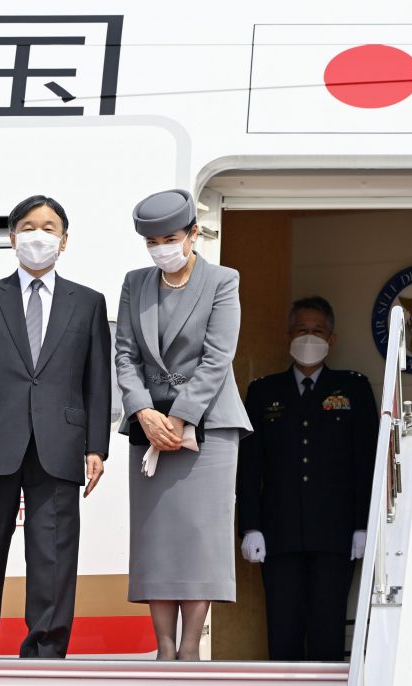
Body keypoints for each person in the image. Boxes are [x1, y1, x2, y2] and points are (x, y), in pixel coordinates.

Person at [0, 195, 112, 658]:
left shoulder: (88, 302)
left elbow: (98, 380)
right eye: (30, 227)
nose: (40, 235)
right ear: (13, 237)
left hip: (60, 441)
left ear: (65, 241)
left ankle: (45, 654)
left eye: (50, 227)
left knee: (54, 554)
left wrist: (97, 445)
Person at [114, 188, 252, 661]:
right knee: (156, 535)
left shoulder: (222, 280)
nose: (161, 248)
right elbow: (125, 354)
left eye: (169, 238)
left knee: (200, 534)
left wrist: (179, 416)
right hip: (149, 429)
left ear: (193, 233)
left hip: (208, 427)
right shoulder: (135, 283)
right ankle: (164, 648)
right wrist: (143, 412)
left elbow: (218, 358)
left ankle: (191, 648)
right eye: (152, 241)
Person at [237, 296, 377, 661]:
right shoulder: (264, 391)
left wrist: (364, 525)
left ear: (332, 339)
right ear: (288, 336)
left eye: (318, 331)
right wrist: (250, 526)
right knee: (282, 634)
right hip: (279, 536)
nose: (309, 337)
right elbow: (250, 465)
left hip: (336, 536)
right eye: (302, 330)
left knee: (327, 636)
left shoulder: (354, 389)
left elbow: (366, 461)